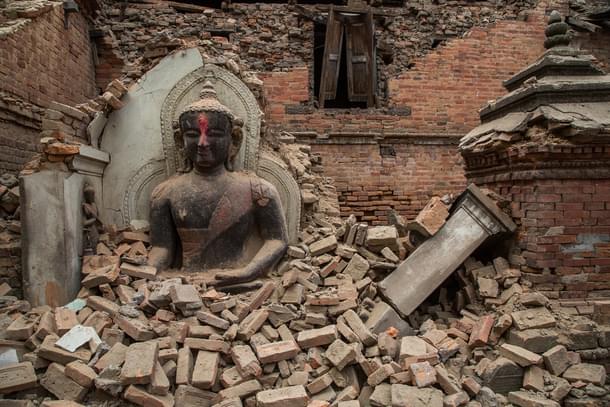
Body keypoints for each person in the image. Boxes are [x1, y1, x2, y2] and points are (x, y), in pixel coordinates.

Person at [148, 81, 288, 286]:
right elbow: (162, 249)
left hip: (239, 284)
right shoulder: (165, 193)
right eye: (193, 135)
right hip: (185, 284)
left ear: (235, 140)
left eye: (214, 134)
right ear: (180, 141)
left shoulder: (258, 190)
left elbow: (277, 240)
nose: (203, 143)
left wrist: (248, 271)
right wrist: (148, 271)